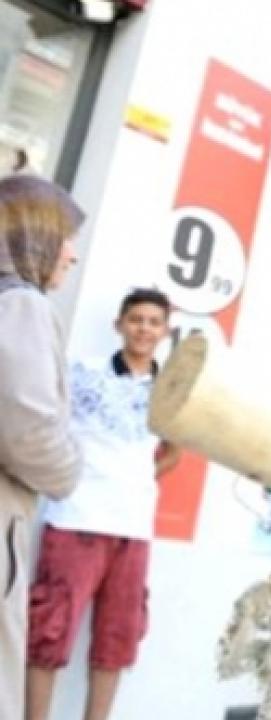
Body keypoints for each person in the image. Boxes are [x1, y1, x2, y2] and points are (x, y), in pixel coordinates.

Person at [24, 288, 180, 720]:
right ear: (119, 324)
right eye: (136, 319)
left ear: (165, 331)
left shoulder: (170, 390)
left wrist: (133, 480)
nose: (144, 329)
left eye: (154, 322)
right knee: (47, 635)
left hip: (133, 529)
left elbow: (174, 453)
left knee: (117, 643)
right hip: (75, 521)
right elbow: (45, 427)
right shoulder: (81, 371)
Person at [0, 174, 85, 720]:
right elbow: (26, 431)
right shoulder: (21, 305)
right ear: (36, 234)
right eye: (65, 237)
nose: (71, 254)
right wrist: (70, 467)